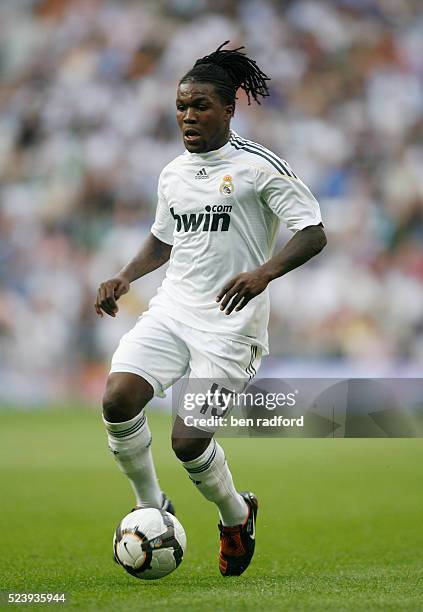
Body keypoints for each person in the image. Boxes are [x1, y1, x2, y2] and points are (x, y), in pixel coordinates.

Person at [95, 42, 326, 577]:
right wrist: (125, 276)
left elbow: (313, 232)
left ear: (228, 109)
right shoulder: (173, 173)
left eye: (200, 106)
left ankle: (236, 515)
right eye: (181, 106)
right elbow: (162, 239)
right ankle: (150, 504)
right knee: (117, 398)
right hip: (173, 310)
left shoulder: (257, 167)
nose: (188, 116)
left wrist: (263, 272)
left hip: (231, 324)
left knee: (188, 439)